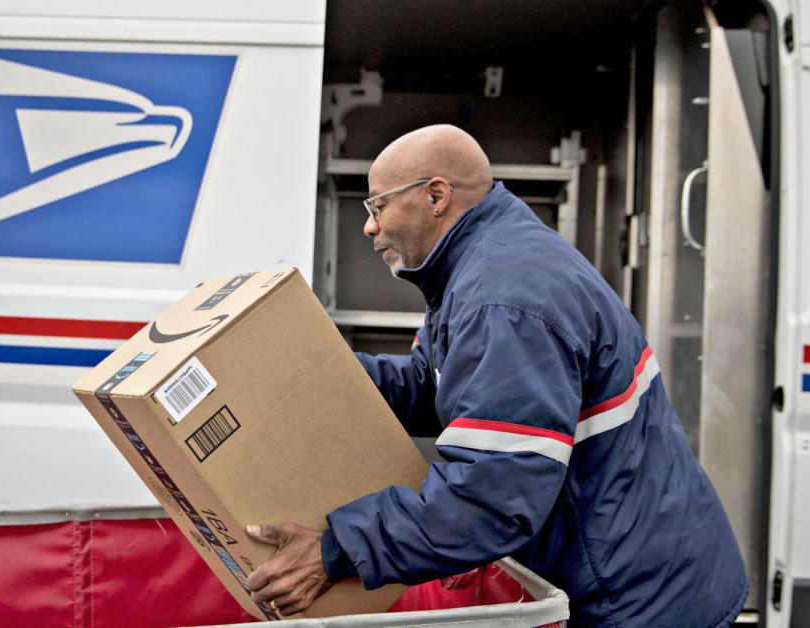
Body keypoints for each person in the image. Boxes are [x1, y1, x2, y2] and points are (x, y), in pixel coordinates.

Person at [245, 124, 748, 626]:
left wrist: (335, 551)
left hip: (638, 600)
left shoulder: (503, 298)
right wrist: (305, 376)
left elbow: (489, 496)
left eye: (377, 207)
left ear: (436, 195)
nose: (370, 228)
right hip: (635, 570)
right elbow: (434, 385)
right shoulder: (482, 263)